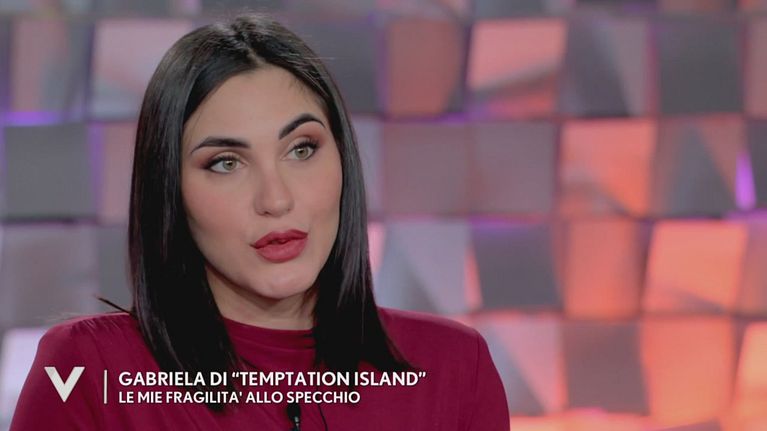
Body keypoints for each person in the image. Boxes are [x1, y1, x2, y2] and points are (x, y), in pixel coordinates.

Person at [10, 13, 509, 430]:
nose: (276, 199)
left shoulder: (454, 368)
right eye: (226, 162)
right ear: (170, 189)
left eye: (302, 149)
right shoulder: (86, 371)